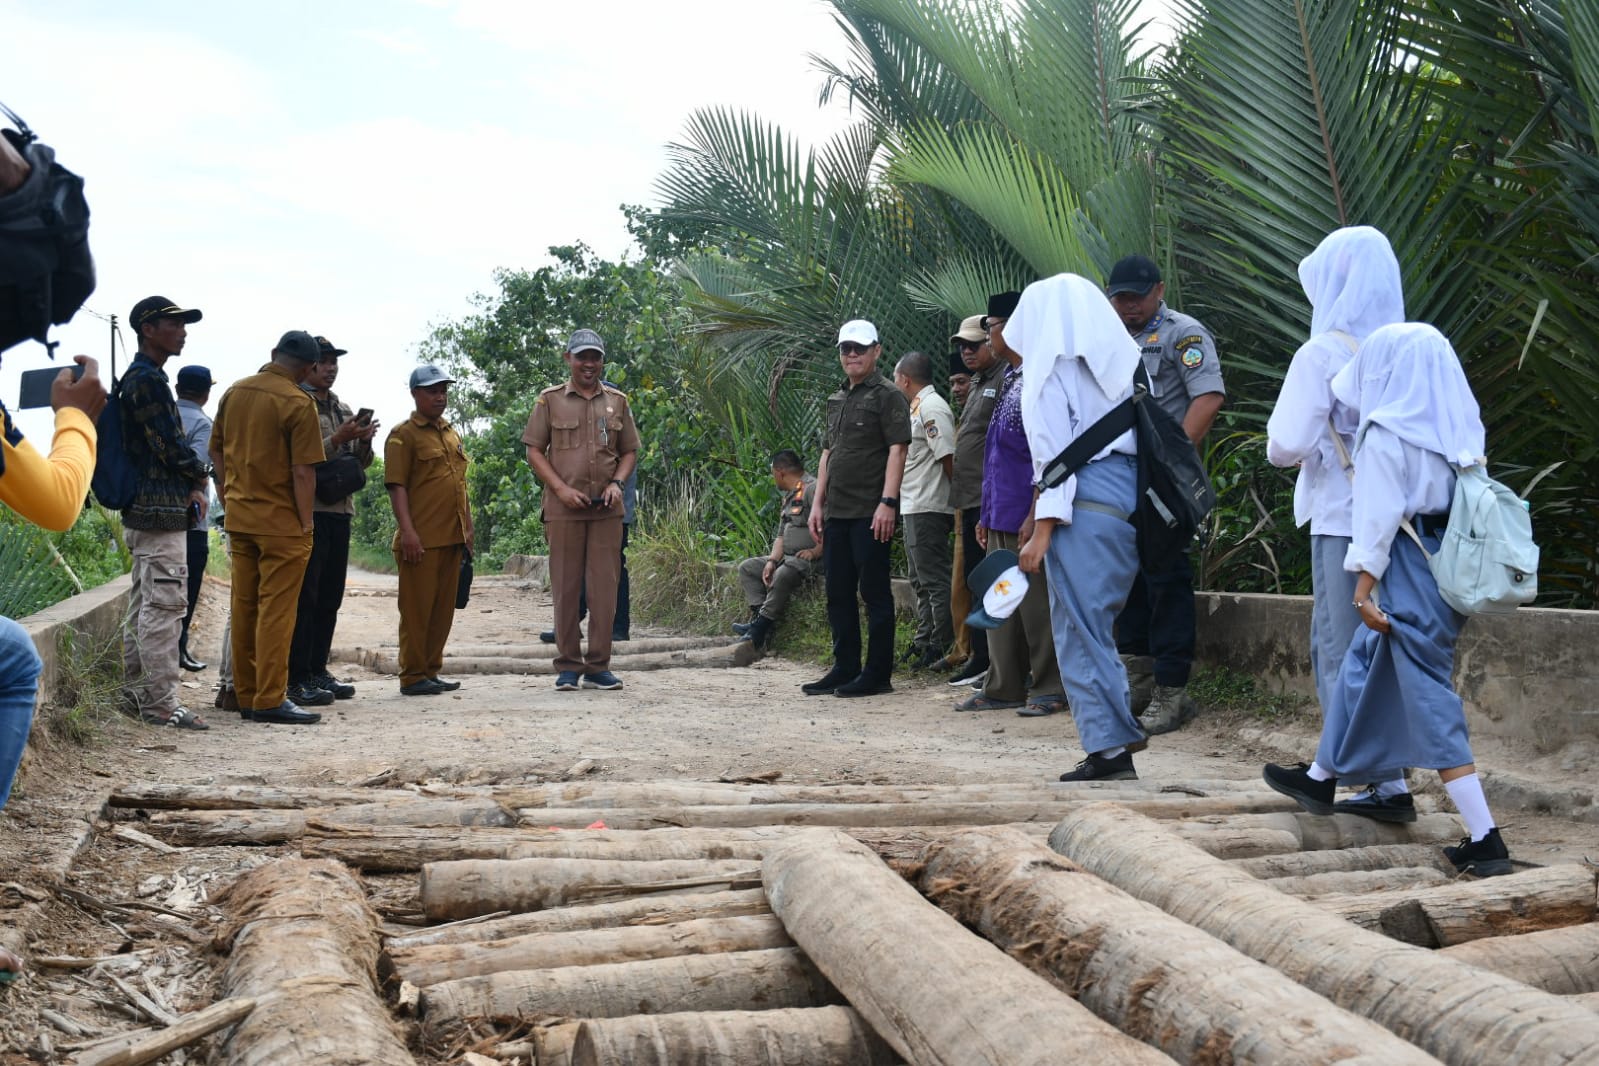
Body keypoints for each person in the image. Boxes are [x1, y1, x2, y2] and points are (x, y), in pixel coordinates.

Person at [1264, 322, 1514, 876]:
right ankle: (1321, 777)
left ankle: (1486, 835)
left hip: (1407, 566)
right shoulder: (1457, 429)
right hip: (1448, 564)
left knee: (1427, 693)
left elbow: (1375, 522)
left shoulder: (1385, 434)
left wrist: (1362, 590)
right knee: (1362, 665)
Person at [1266, 227, 1410, 820]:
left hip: (1343, 516)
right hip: (1402, 521)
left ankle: (1371, 781)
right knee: (1382, 647)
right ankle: (1385, 777)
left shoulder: (1324, 353)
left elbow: (1283, 444)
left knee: (1340, 646)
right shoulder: (1409, 346)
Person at [1008, 274, 1146, 779]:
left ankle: (1111, 747)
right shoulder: (1123, 368)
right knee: (1094, 625)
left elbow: (1055, 462)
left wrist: (1043, 529)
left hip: (1081, 501)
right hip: (1126, 501)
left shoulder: (1047, 373)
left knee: (1080, 631)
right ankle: (1111, 741)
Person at [1106, 255, 1226, 735]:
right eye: (1120, 298)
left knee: (1166, 580)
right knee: (1128, 577)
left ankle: (1172, 690)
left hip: (1164, 481)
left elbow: (1208, 397)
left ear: (1158, 290)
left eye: (1136, 297)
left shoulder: (1184, 334)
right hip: (1120, 476)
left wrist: (1172, 459)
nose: (1128, 306)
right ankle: (1136, 681)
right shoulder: (1111, 337)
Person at [959, 292, 1067, 717]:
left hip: (1028, 511)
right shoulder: (1010, 377)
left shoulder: (1041, 376)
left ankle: (1049, 686)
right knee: (1000, 601)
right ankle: (1003, 686)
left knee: (1037, 607)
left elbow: (1046, 454)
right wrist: (985, 512)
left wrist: (1035, 513)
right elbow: (996, 452)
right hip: (999, 509)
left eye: (992, 326)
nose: (987, 335)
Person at [210, 331, 326, 725]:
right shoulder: (298, 402)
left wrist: (228, 496)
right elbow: (303, 471)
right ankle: (270, 698)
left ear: (275, 353)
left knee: (244, 607)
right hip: (281, 525)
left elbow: (216, 450)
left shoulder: (234, 392)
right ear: (309, 368)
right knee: (277, 611)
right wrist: (306, 523)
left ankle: (246, 695)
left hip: (240, 519)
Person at [522, 330, 638, 692]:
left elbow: (630, 450)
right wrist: (560, 489)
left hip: (606, 512)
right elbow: (534, 450)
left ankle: (599, 666)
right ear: (568, 358)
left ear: (602, 361)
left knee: (604, 591)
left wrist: (617, 483)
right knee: (567, 589)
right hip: (564, 510)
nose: (589, 364)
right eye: (582, 357)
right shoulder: (549, 401)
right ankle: (569, 666)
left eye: (595, 357)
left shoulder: (617, 402)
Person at [119, 297, 214, 729]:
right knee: (164, 607)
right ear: (148, 329)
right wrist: (201, 473)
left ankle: (136, 694)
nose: (183, 332)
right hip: (158, 515)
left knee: (145, 605)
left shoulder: (144, 377)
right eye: (174, 324)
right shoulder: (147, 381)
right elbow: (167, 446)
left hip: (147, 512)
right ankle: (160, 704)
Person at [803, 319, 911, 698]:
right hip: (837, 512)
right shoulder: (837, 398)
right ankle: (844, 667)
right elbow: (827, 454)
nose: (852, 354)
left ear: (876, 351)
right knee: (838, 592)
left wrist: (888, 503)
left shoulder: (888, 395)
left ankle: (877, 674)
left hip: (870, 511)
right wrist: (817, 503)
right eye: (846, 348)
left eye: (859, 348)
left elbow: (898, 451)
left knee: (875, 593)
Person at [286, 335, 378, 707]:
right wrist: (337, 439)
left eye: (334, 362)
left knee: (329, 598)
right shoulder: (297, 405)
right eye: (323, 362)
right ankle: (297, 677)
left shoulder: (342, 408)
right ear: (308, 366)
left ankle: (318, 670)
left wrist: (364, 440)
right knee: (305, 598)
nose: (330, 368)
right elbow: (300, 459)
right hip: (311, 512)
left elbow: (361, 462)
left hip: (341, 511)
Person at [386, 364, 473, 696]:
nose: (440, 397)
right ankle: (412, 676)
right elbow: (397, 487)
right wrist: (408, 532)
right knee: (416, 612)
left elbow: (459, 485)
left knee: (442, 612)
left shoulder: (450, 433)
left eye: (443, 391)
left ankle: (430, 671)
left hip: (452, 538)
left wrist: (468, 531)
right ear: (415, 394)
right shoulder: (403, 435)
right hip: (420, 541)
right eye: (433, 391)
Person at [943, 313, 1004, 687]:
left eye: (973, 344)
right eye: (962, 346)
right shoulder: (979, 381)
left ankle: (992, 660)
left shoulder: (1003, 377)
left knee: (991, 580)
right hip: (968, 498)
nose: (966, 351)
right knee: (975, 579)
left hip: (990, 498)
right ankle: (981, 656)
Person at [892, 350, 956, 669]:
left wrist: (958, 502)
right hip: (914, 504)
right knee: (918, 578)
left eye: (895, 378)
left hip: (929, 505)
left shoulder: (932, 407)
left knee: (934, 580)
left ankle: (940, 644)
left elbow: (948, 456)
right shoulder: (918, 407)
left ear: (905, 379)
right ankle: (924, 639)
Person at [732, 449, 820, 660]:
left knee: (783, 574)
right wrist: (771, 561)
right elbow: (781, 535)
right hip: (788, 557)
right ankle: (759, 621)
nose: (774, 478)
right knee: (748, 568)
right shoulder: (791, 494)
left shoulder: (813, 489)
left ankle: (759, 630)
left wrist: (816, 551)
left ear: (780, 472)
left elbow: (830, 525)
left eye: (773, 474)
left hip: (810, 560)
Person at [174, 364, 215, 673]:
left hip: (160, 517)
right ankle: (179, 649)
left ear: (177, 389)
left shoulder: (162, 417)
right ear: (206, 393)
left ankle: (172, 650)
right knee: (187, 590)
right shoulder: (203, 423)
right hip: (192, 520)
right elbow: (198, 466)